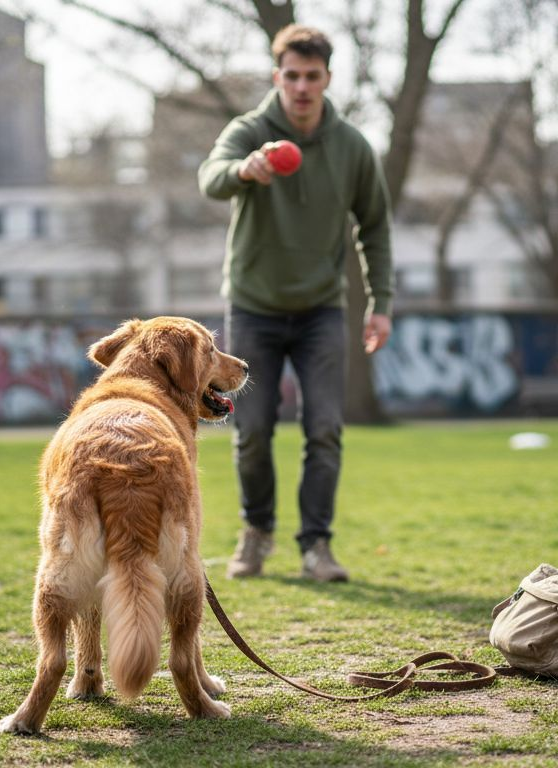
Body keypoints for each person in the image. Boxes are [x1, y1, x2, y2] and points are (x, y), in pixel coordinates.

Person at [198, 24, 393, 583]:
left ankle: (317, 546)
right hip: (254, 305)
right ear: (277, 76)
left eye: (313, 76)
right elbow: (210, 178)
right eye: (291, 75)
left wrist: (380, 302)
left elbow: (375, 227)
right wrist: (244, 169)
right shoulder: (250, 131)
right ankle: (256, 533)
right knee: (252, 429)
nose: (302, 86)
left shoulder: (353, 146)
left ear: (327, 78)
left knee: (325, 428)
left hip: (321, 310)